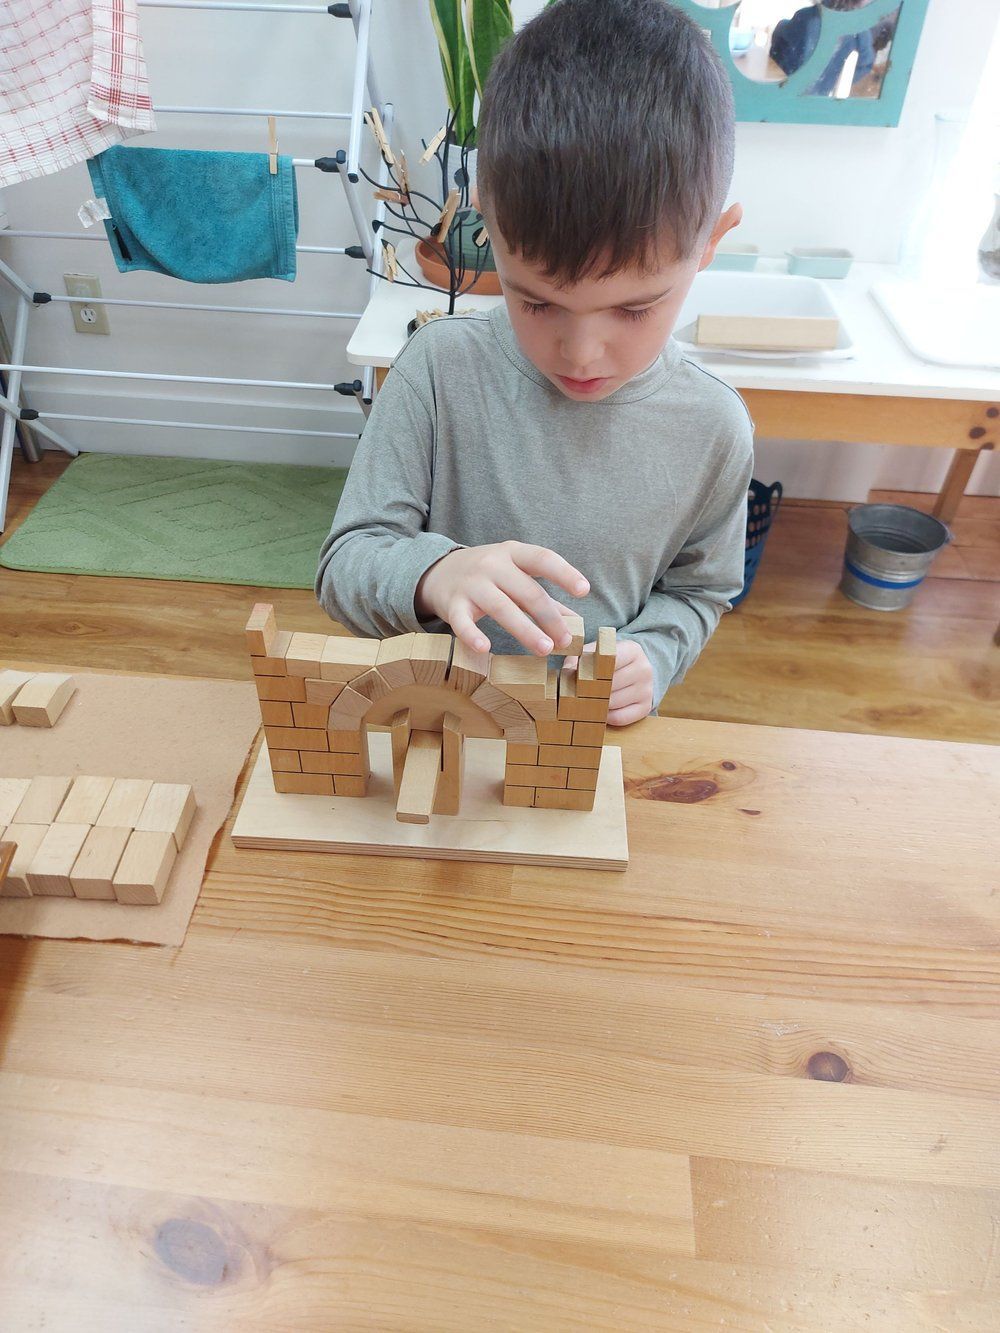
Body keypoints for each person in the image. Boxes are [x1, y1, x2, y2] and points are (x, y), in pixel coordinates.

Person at [316, 0, 754, 727]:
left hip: (580, 735)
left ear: (711, 242)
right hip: (433, 716)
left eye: (634, 309)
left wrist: (657, 654)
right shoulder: (437, 371)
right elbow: (347, 565)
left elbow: (700, 592)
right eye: (538, 302)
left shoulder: (714, 428)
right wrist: (435, 571)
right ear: (485, 221)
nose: (581, 354)